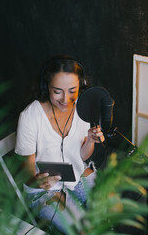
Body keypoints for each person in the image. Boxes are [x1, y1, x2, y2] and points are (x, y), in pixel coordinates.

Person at [15, 55, 104, 233]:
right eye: (57, 91)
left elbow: (84, 156)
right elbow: (27, 173)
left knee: (112, 205)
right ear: (46, 87)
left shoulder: (84, 106)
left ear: (82, 85)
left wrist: (90, 140)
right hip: (44, 189)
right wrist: (37, 181)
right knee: (83, 229)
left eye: (72, 90)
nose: (65, 99)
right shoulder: (30, 117)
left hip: (77, 173)